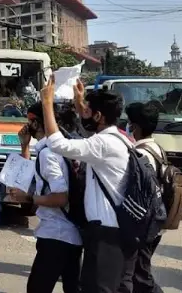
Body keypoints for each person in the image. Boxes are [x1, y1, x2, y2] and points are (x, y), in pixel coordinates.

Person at [40, 78, 133, 293]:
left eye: (89, 111)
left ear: (99, 116)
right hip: (112, 229)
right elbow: (87, 136)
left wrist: (47, 102)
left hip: (107, 233)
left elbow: (58, 143)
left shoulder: (104, 144)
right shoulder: (118, 138)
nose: (85, 114)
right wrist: (81, 103)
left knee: (99, 288)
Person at [9, 102, 82, 293]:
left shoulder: (49, 153)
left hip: (56, 235)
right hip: (72, 233)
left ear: (37, 123)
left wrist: (30, 199)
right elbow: (30, 179)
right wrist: (24, 146)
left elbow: (60, 198)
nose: (26, 126)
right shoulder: (61, 147)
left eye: (29, 120)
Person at [119, 102, 164, 293]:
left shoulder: (141, 154)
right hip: (154, 221)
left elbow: (139, 194)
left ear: (135, 126)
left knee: (141, 278)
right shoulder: (156, 149)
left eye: (129, 123)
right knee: (138, 276)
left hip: (144, 226)